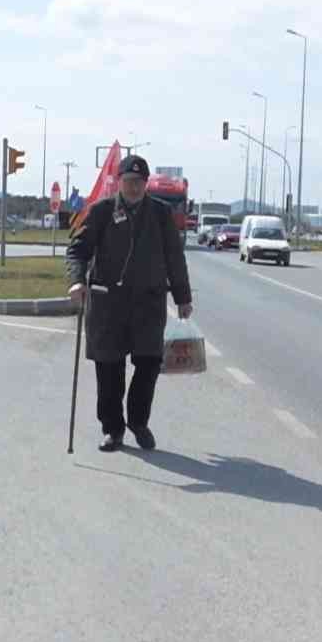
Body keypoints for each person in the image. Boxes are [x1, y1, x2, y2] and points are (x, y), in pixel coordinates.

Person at [66, 154, 193, 452]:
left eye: (139, 182)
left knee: (148, 366)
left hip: (148, 306)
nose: (134, 187)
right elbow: (77, 251)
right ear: (119, 182)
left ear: (146, 184)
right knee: (109, 370)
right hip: (107, 305)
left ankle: (138, 422)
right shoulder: (101, 211)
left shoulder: (161, 214)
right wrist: (76, 280)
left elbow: (175, 258)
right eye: (129, 182)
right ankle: (113, 429)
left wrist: (183, 297)